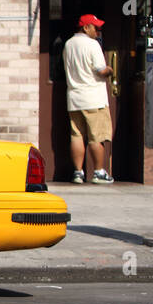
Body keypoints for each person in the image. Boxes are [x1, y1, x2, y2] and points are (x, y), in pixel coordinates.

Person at [62, 14, 115, 184]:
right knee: (96, 137)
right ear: (86, 28)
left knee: (76, 135)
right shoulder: (92, 45)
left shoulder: (68, 44)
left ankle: (78, 172)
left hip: (74, 97)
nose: (98, 32)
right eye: (95, 27)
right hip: (93, 98)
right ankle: (98, 172)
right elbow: (100, 70)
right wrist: (110, 70)